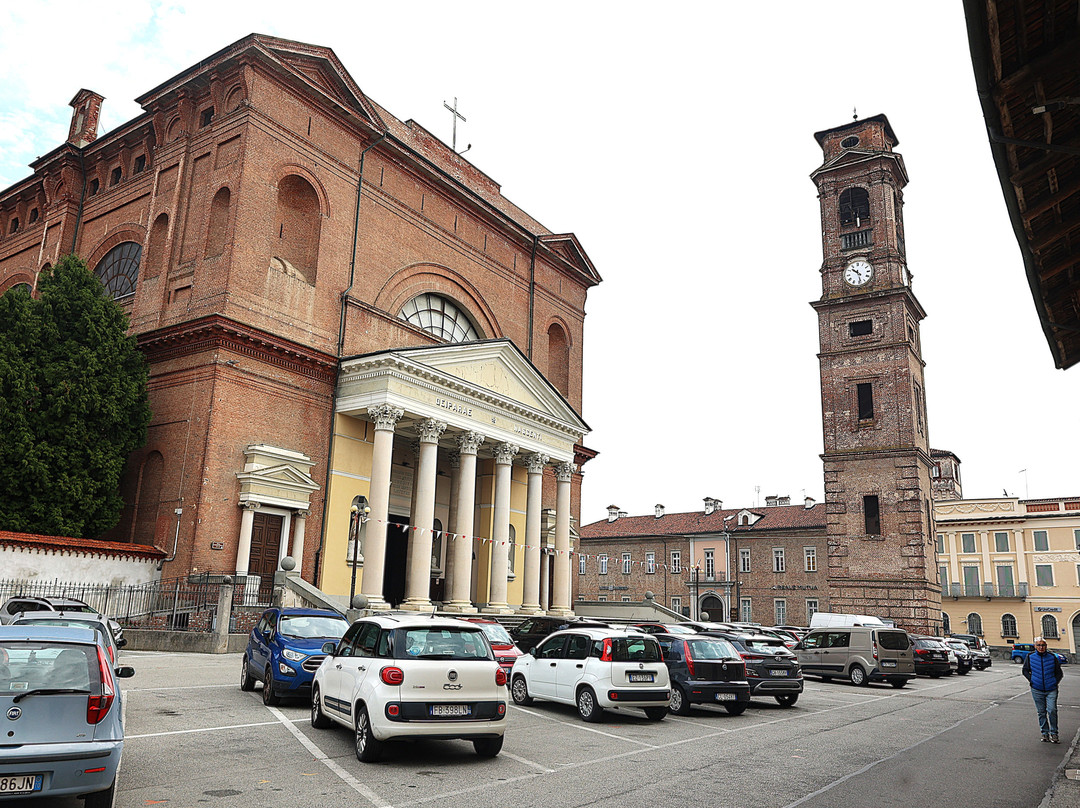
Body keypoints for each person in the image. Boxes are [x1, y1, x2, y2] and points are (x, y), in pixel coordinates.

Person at [1022, 637, 1064, 743]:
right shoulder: (1030, 656)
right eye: (1039, 645)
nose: (1041, 647)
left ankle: (1054, 733)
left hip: (1051, 689)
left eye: (1043, 645)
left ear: (1046, 646)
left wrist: (1055, 682)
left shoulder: (1052, 657)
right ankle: (1044, 733)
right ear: (1035, 646)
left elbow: (1059, 672)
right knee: (1041, 712)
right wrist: (1032, 681)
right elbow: (1025, 670)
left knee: (1052, 710)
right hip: (1037, 689)